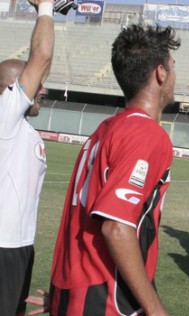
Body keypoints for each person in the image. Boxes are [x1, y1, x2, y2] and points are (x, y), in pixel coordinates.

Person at [28, 25, 180, 315]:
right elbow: (116, 226)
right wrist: (155, 308)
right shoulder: (146, 134)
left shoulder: (105, 129)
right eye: (173, 67)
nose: (175, 76)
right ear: (160, 73)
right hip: (107, 298)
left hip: (73, 291)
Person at [0, 1, 53, 314]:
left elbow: (43, 64)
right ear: (11, 89)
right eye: (37, 84)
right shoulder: (5, 115)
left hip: (18, 243)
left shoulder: (18, 125)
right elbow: (41, 55)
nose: (43, 89)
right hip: (4, 245)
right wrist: (45, 7)